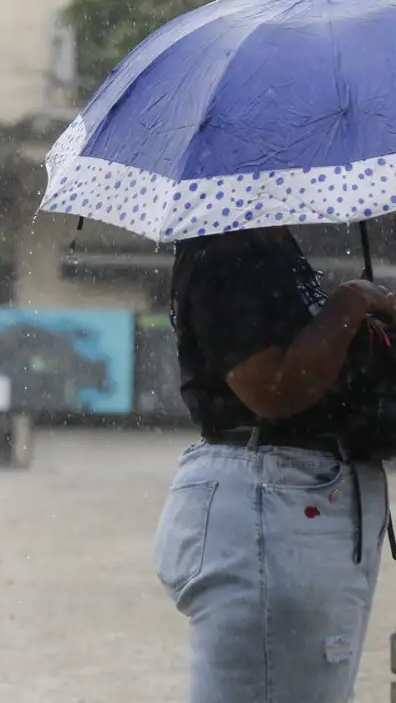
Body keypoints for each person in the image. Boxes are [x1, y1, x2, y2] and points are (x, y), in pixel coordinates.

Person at [158, 226, 396, 703]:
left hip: (298, 502)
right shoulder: (228, 244)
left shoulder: (268, 245)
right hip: (277, 503)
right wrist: (352, 301)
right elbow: (273, 388)